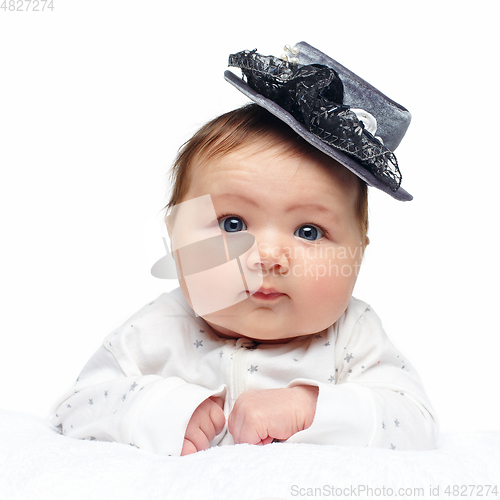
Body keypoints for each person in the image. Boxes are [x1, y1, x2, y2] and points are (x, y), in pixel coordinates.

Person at [51, 42, 438, 456]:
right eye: (232, 224)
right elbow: (73, 410)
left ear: (357, 254)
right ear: (177, 238)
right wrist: (160, 407)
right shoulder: (156, 331)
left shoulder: (352, 336)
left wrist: (311, 409)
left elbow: (415, 424)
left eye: (309, 231)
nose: (268, 256)